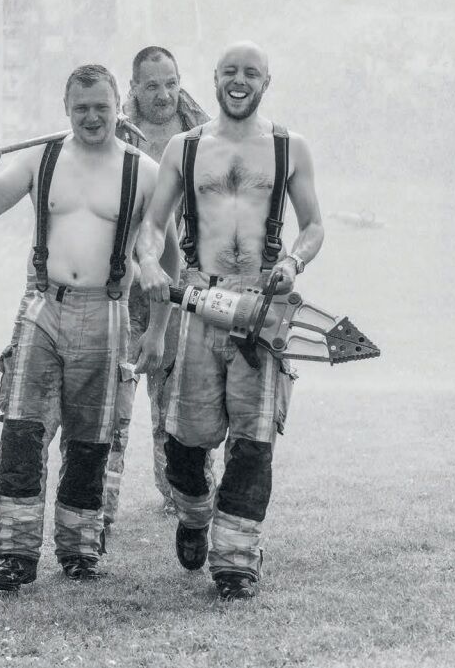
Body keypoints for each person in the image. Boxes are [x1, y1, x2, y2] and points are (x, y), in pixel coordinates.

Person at [0, 65, 179, 591]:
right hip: (43, 305)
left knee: (92, 439)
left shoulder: (144, 171)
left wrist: (157, 331)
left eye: (101, 107)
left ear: (118, 107)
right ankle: (16, 555)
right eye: (81, 108)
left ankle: (80, 551)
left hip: (108, 311)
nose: (92, 117)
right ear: (66, 108)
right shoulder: (42, 158)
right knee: (21, 431)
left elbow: (169, 259)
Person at [135, 41, 324, 600]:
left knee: (253, 441)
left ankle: (236, 562)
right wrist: (149, 262)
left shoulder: (289, 147)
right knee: (185, 445)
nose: (240, 82)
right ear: (215, 78)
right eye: (231, 72)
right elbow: (153, 225)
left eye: (252, 74)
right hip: (200, 301)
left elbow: (314, 226)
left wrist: (293, 262)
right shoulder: (186, 147)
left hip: (264, 309)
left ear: (267, 81)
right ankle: (194, 514)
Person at [103, 46, 213, 526]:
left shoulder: (203, 135)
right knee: (114, 394)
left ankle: (180, 495)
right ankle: (99, 503)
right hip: (121, 284)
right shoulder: (113, 133)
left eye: (171, 83)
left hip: (182, 281)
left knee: (178, 398)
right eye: (152, 85)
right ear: (133, 87)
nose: (164, 94)